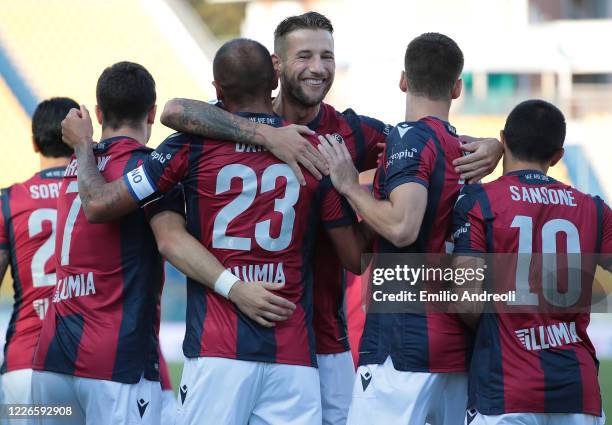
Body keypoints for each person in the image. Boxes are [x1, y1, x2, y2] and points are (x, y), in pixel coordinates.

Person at [158, 12, 503, 424]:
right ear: (276, 66)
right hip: (242, 333)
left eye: (327, 56)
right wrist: (268, 135)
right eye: (304, 56)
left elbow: (426, 141)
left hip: (326, 341)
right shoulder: (234, 122)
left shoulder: (352, 131)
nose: (318, 68)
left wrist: (493, 146)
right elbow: (175, 110)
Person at [60, 38, 369, 425]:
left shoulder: (189, 146)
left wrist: (84, 147)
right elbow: (355, 258)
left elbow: (100, 203)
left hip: (216, 352)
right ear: (274, 83)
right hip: (293, 356)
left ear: (217, 91)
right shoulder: (314, 150)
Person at [319, 32, 472, 424]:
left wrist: (350, 186)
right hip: (456, 345)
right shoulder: (468, 153)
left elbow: (403, 227)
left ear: (403, 80)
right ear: (457, 88)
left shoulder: (409, 135)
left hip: (403, 342)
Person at [30, 62, 183, 425]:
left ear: (98, 113)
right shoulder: (147, 169)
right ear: (152, 113)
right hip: (115, 361)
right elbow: (172, 242)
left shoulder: (77, 167)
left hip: (50, 358)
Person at [452, 99, 610, 425]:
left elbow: (466, 302)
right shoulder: (595, 210)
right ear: (558, 156)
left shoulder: (479, 201)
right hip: (577, 391)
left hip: (506, 389)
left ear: (503, 139)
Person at [0, 97, 77, 412]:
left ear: (34, 144)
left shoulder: (9, 200)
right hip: (88, 361)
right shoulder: (102, 196)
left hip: (26, 359)